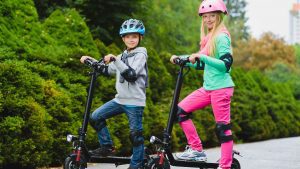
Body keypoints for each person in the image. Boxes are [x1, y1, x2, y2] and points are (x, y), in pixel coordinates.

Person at [170, 0, 235, 169]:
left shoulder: (221, 37)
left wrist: (203, 57)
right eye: (205, 17)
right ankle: (196, 149)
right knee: (180, 111)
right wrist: (181, 59)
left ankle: (225, 166)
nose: (208, 19)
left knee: (223, 129)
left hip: (221, 88)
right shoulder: (208, 38)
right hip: (208, 88)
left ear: (219, 17)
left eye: (212, 15)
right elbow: (200, 63)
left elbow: (225, 65)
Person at [80, 18, 148, 169]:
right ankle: (107, 147)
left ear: (140, 38)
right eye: (128, 36)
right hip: (120, 100)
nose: (131, 39)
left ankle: (136, 165)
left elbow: (131, 74)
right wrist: (90, 60)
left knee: (135, 135)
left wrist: (115, 59)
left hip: (135, 101)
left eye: (134, 36)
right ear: (123, 38)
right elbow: (108, 70)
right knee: (96, 117)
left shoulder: (141, 55)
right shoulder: (122, 56)